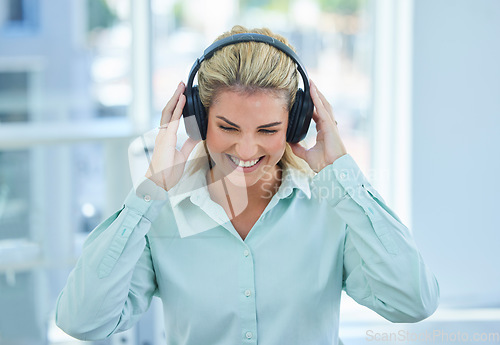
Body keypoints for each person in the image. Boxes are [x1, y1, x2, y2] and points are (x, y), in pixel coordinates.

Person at [55, 26, 439, 345]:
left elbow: (413, 302)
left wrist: (342, 174)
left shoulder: (332, 206)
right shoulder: (162, 212)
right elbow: (82, 321)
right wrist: (150, 191)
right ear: (197, 120)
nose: (247, 149)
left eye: (268, 130)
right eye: (228, 127)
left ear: (297, 124)